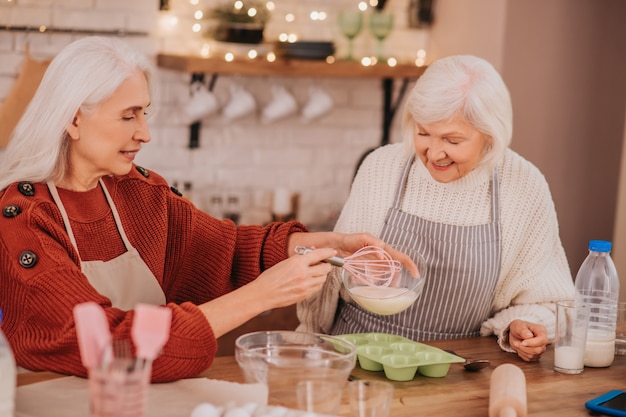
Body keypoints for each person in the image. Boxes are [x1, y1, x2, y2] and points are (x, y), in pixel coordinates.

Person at [0, 36, 400, 383]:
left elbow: (228, 249)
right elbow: (109, 343)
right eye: (128, 116)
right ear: (73, 119)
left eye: (144, 112)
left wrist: (327, 243)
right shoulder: (23, 219)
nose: (145, 133)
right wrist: (260, 297)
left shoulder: (139, 193)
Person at [297, 55, 576, 362]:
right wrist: (308, 348)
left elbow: (550, 302)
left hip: (455, 368)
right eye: (423, 133)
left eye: (452, 140)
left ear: (490, 135)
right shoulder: (382, 167)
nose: (434, 153)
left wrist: (517, 327)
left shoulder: (523, 185)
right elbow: (329, 281)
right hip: (357, 357)